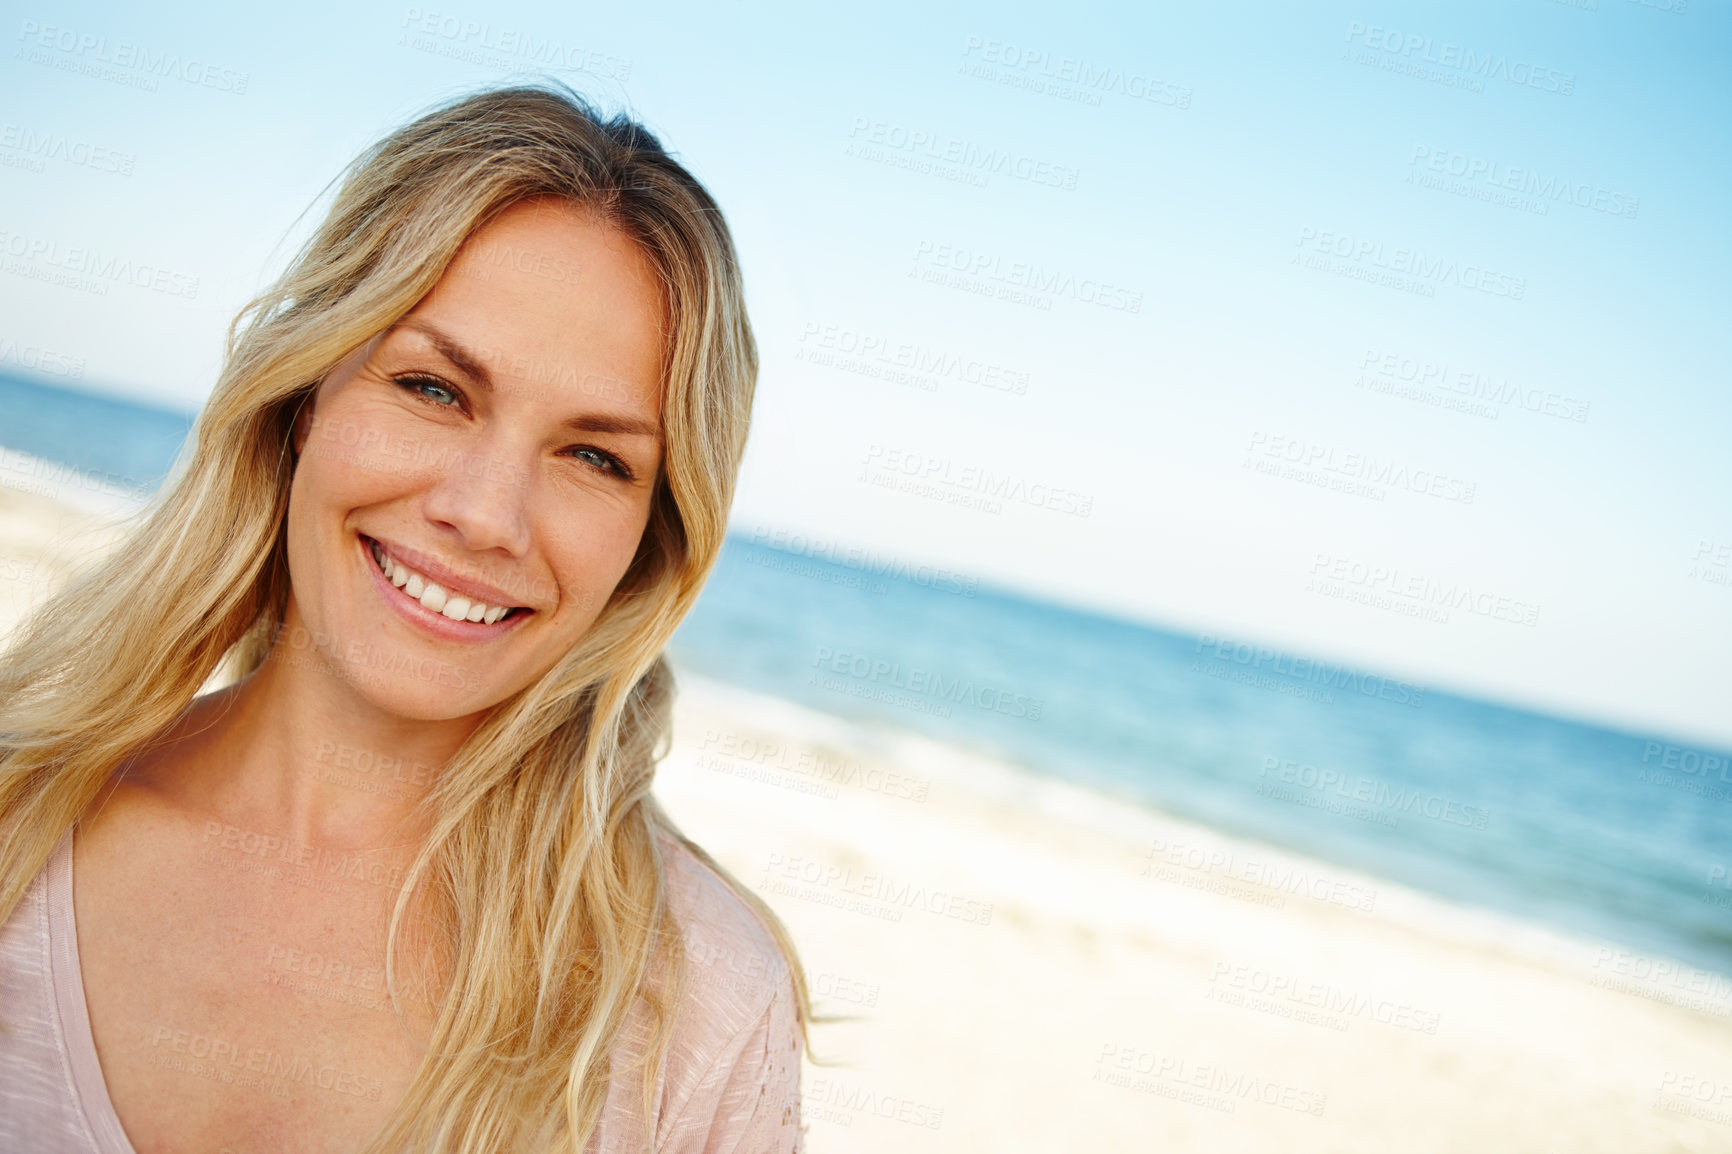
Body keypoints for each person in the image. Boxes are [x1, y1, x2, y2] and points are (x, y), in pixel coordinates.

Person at [0, 82, 829, 1153]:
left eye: (593, 455)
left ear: (648, 542)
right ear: (308, 394)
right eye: (436, 388)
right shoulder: (21, 817)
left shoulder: (700, 1011)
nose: (485, 515)